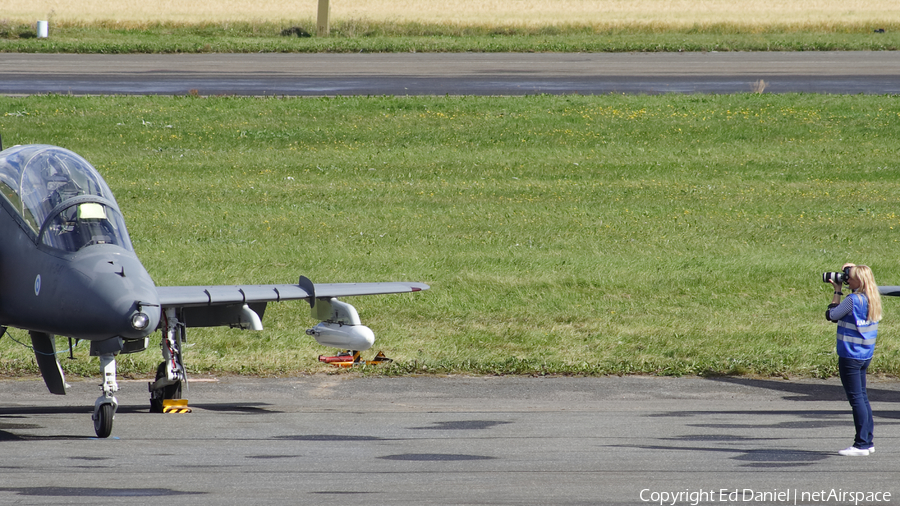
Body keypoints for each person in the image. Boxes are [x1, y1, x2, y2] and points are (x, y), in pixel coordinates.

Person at [826, 263, 883, 456]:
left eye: (849, 277)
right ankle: (868, 441)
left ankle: (861, 445)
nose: (846, 279)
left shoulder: (853, 299)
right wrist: (851, 267)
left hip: (850, 355)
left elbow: (832, 315)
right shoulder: (871, 297)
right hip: (864, 354)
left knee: (856, 400)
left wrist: (837, 292)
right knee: (863, 398)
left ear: (859, 280)